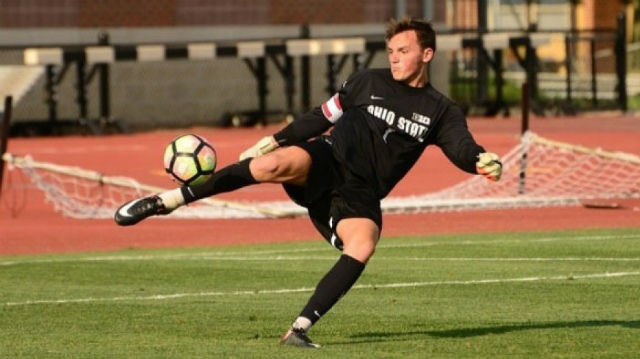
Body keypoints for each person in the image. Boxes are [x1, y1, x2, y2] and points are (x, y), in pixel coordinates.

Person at [114, 17, 502, 348]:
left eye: (403, 51)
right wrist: (275, 139)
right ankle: (166, 201)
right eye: (392, 51)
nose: (395, 58)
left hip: (360, 192)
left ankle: (298, 330)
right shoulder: (366, 81)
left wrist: (480, 159)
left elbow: (461, 147)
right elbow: (322, 116)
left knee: (364, 243)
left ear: (427, 55)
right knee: (271, 165)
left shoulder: (441, 110)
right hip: (328, 159)